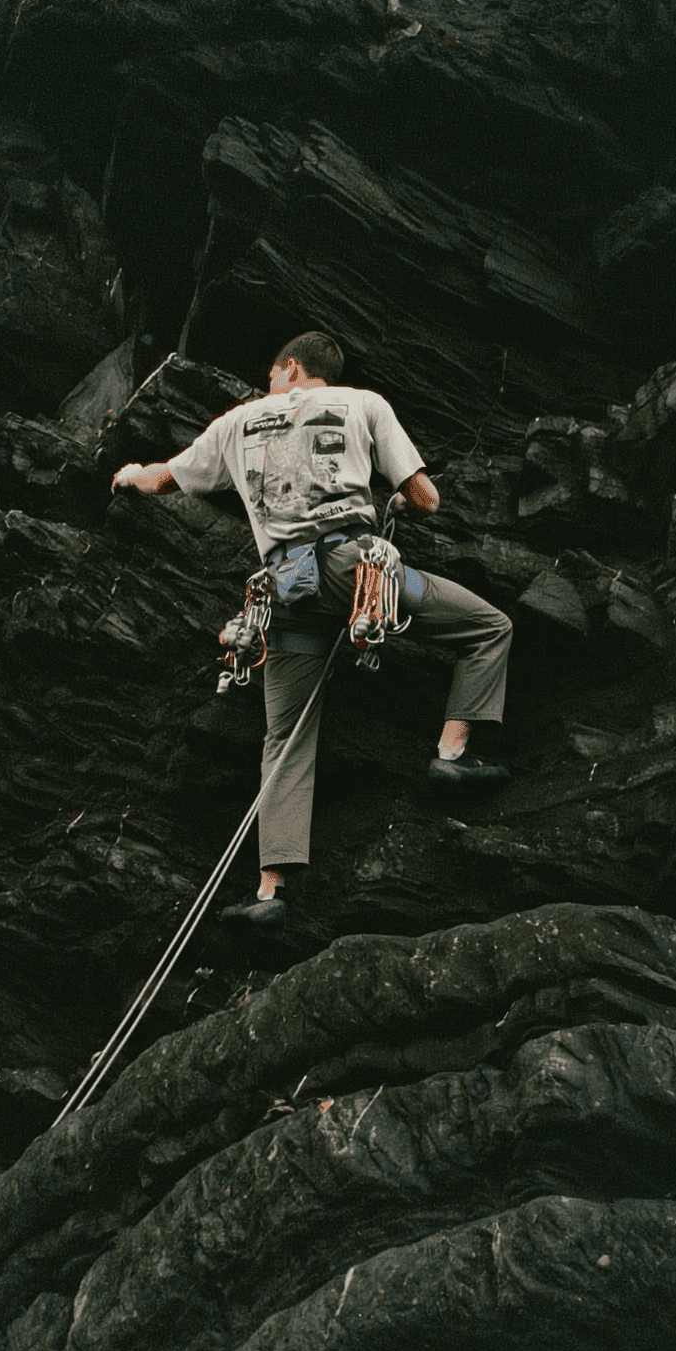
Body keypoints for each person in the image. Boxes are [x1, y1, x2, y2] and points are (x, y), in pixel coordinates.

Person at [112, 332, 511, 929]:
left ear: (290, 368)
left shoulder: (237, 422)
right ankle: (451, 755)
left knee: (285, 737)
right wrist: (397, 504)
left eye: (272, 374)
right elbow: (425, 498)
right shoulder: (365, 404)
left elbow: (164, 480)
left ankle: (270, 891)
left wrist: (127, 475)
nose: (268, 387)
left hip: (285, 590)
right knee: (487, 628)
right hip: (359, 577)